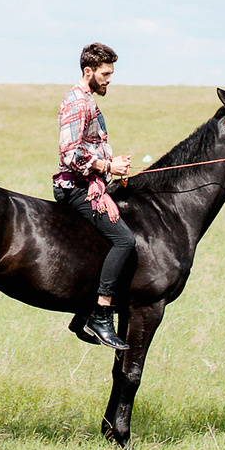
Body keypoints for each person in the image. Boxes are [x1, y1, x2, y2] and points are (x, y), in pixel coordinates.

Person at [54, 42, 136, 350]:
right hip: (75, 187)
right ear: (88, 71)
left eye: (111, 73)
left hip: (92, 183)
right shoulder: (77, 103)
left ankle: (83, 313)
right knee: (125, 240)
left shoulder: (89, 100)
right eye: (105, 73)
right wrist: (107, 165)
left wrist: (114, 167)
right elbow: (68, 156)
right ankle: (101, 314)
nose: (109, 79)